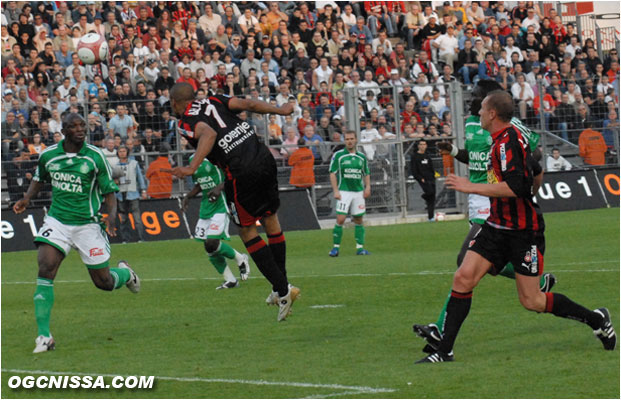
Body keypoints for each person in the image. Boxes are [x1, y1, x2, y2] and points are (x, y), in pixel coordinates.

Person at [416, 91, 616, 363]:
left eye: (482, 109)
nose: (478, 114)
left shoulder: (507, 142)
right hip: (496, 226)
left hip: (524, 233)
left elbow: (517, 186)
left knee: (532, 301)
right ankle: (444, 351)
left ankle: (596, 319)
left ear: (492, 114)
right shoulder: (502, 139)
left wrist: (470, 186)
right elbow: (535, 170)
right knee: (463, 277)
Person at [415, 80, 556, 353]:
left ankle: (441, 331)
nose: (474, 104)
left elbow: (533, 156)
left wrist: (529, 185)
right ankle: (537, 280)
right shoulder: (472, 123)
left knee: (464, 261)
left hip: (494, 195)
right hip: (477, 196)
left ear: (490, 104)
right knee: (472, 265)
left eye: (479, 99)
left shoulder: (512, 128)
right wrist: (454, 152)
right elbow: (479, 158)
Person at [165, 82, 299, 322]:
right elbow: (248, 104)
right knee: (270, 219)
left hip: (240, 170)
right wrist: (282, 110)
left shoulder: (185, 122)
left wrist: (192, 166)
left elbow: (209, 133)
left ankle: (283, 290)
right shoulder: (215, 100)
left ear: (175, 102)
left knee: (247, 230)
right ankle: (281, 288)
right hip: (262, 157)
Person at [12, 113, 140, 354]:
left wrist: (111, 219)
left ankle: (126, 273)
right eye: (74, 126)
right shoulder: (49, 155)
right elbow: (39, 179)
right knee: (45, 267)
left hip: (87, 225)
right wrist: (27, 198)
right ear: (64, 130)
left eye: (83, 125)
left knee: (104, 282)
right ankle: (44, 336)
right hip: (58, 221)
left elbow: (109, 192)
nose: (81, 129)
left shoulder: (95, 156)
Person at [181, 155, 250, 290]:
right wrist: (188, 196)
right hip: (206, 207)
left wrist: (219, 188)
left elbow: (233, 176)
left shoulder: (215, 157)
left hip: (221, 206)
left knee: (211, 242)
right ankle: (230, 280)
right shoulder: (192, 160)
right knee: (209, 247)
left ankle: (240, 259)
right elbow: (201, 184)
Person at [328, 131, 371, 257]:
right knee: (341, 218)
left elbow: (366, 173)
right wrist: (335, 190)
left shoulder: (361, 157)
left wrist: (367, 187)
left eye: (352, 138)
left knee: (358, 219)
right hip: (344, 191)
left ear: (356, 140)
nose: (349, 141)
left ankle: (360, 248)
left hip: (358, 192)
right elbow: (332, 173)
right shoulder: (339, 155)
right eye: (347, 139)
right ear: (344, 141)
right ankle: (335, 248)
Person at [113, 145, 147, 243]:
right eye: (120, 151)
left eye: (124, 151)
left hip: (133, 193)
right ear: (118, 153)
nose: (122, 153)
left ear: (127, 152)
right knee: (123, 219)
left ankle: (141, 238)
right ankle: (125, 239)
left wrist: (143, 190)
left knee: (137, 218)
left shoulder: (134, 164)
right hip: (121, 194)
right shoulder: (116, 166)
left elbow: (140, 178)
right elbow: (114, 182)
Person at [410, 140, 437, 222]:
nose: (422, 146)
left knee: (432, 198)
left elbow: (431, 167)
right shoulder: (415, 157)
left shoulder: (427, 156)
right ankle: (424, 196)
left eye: (424, 144)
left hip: (431, 178)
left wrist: (433, 176)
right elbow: (414, 170)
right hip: (423, 179)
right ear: (418, 146)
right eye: (421, 144)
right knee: (429, 192)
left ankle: (431, 217)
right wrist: (419, 178)